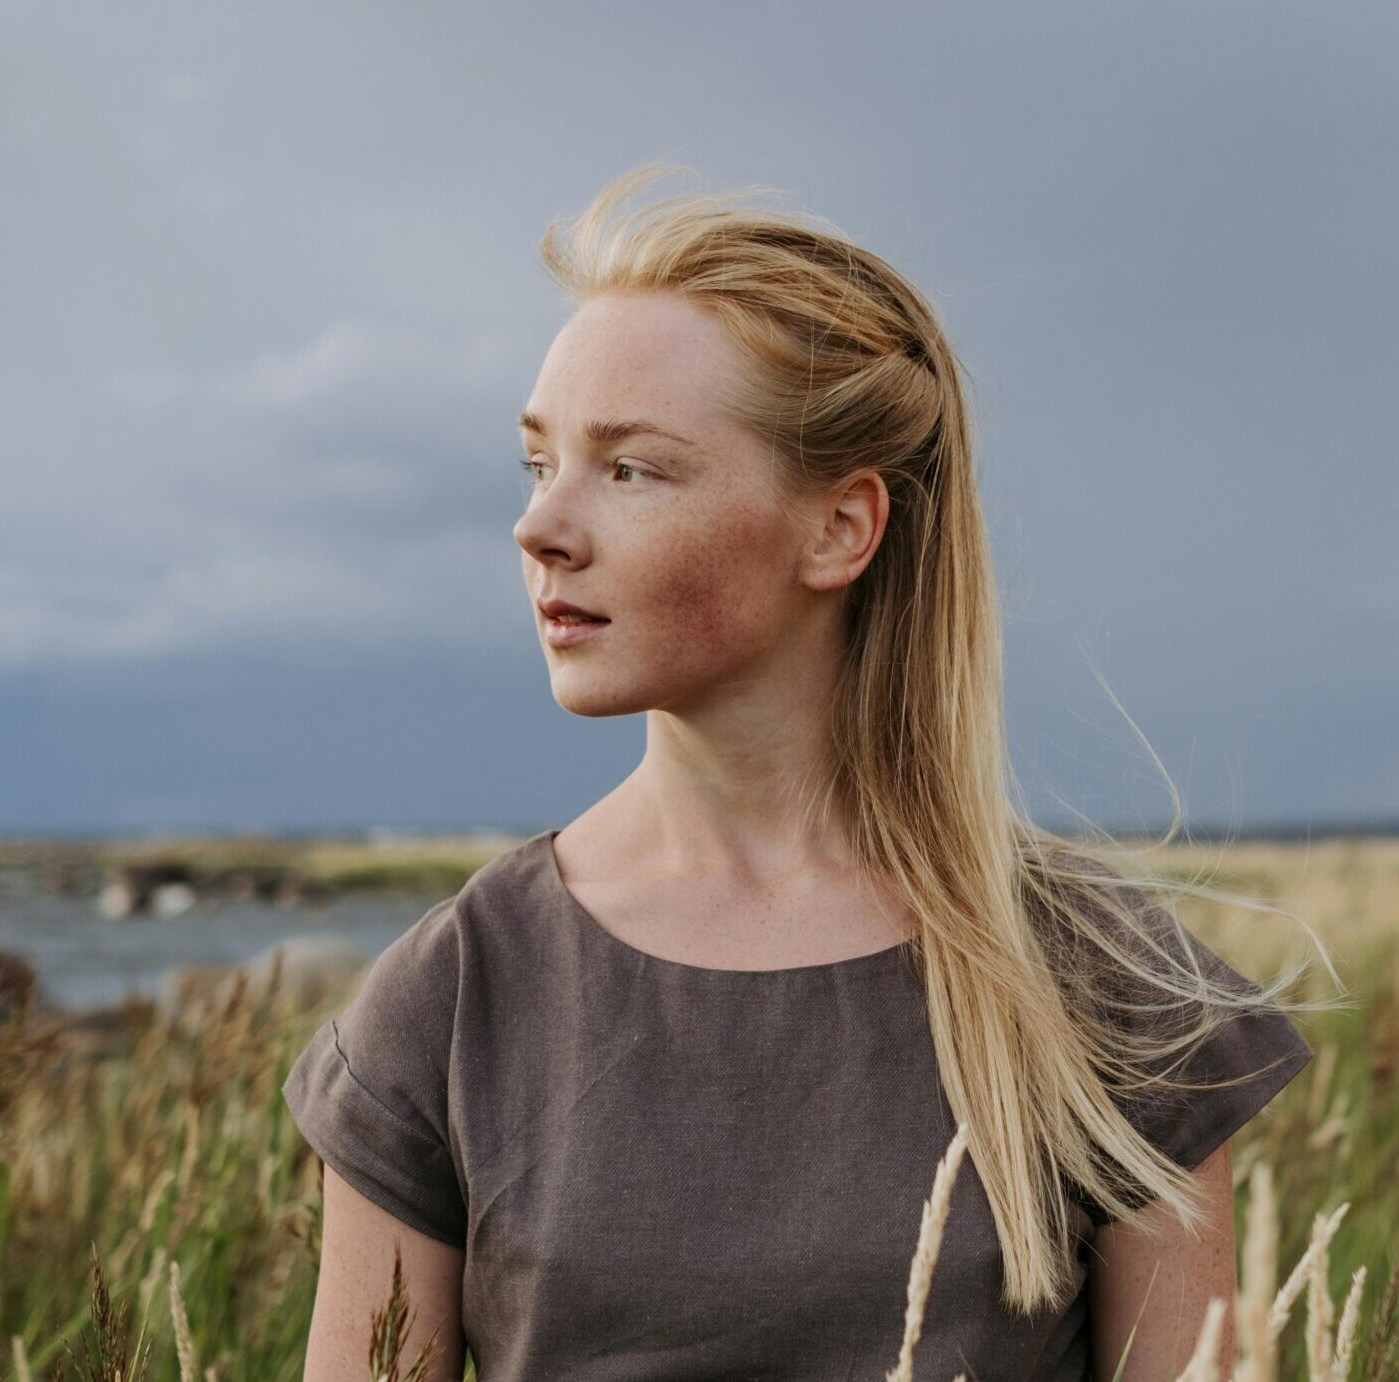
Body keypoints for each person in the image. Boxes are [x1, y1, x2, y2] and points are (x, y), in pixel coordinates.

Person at [283, 163, 1339, 1382]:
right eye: (539, 464)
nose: (540, 526)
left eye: (630, 469)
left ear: (840, 528)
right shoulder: (457, 996)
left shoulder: (1099, 986)